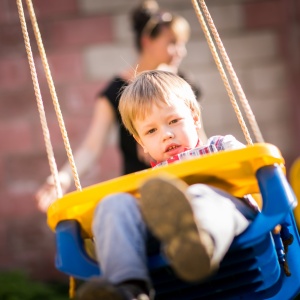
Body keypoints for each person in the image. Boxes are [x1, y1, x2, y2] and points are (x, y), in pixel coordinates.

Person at [75, 70, 259, 300]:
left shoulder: (220, 147)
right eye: (151, 130)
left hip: (232, 225)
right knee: (114, 204)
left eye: (173, 121)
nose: (166, 134)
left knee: (199, 194)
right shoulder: (148, 181)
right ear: (141, 142)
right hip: (166, 250)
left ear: (194, 118)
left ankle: (198, 244)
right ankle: (127, 288)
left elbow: (260, 170)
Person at [36, 0, 206, 212]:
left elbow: (201, 135)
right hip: (143, 189)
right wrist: (64, 176)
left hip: (189, 179)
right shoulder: (116, 91)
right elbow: (91, 147)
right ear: (147, 41)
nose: (181, 52)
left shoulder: (183, 83)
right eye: (172, 42)